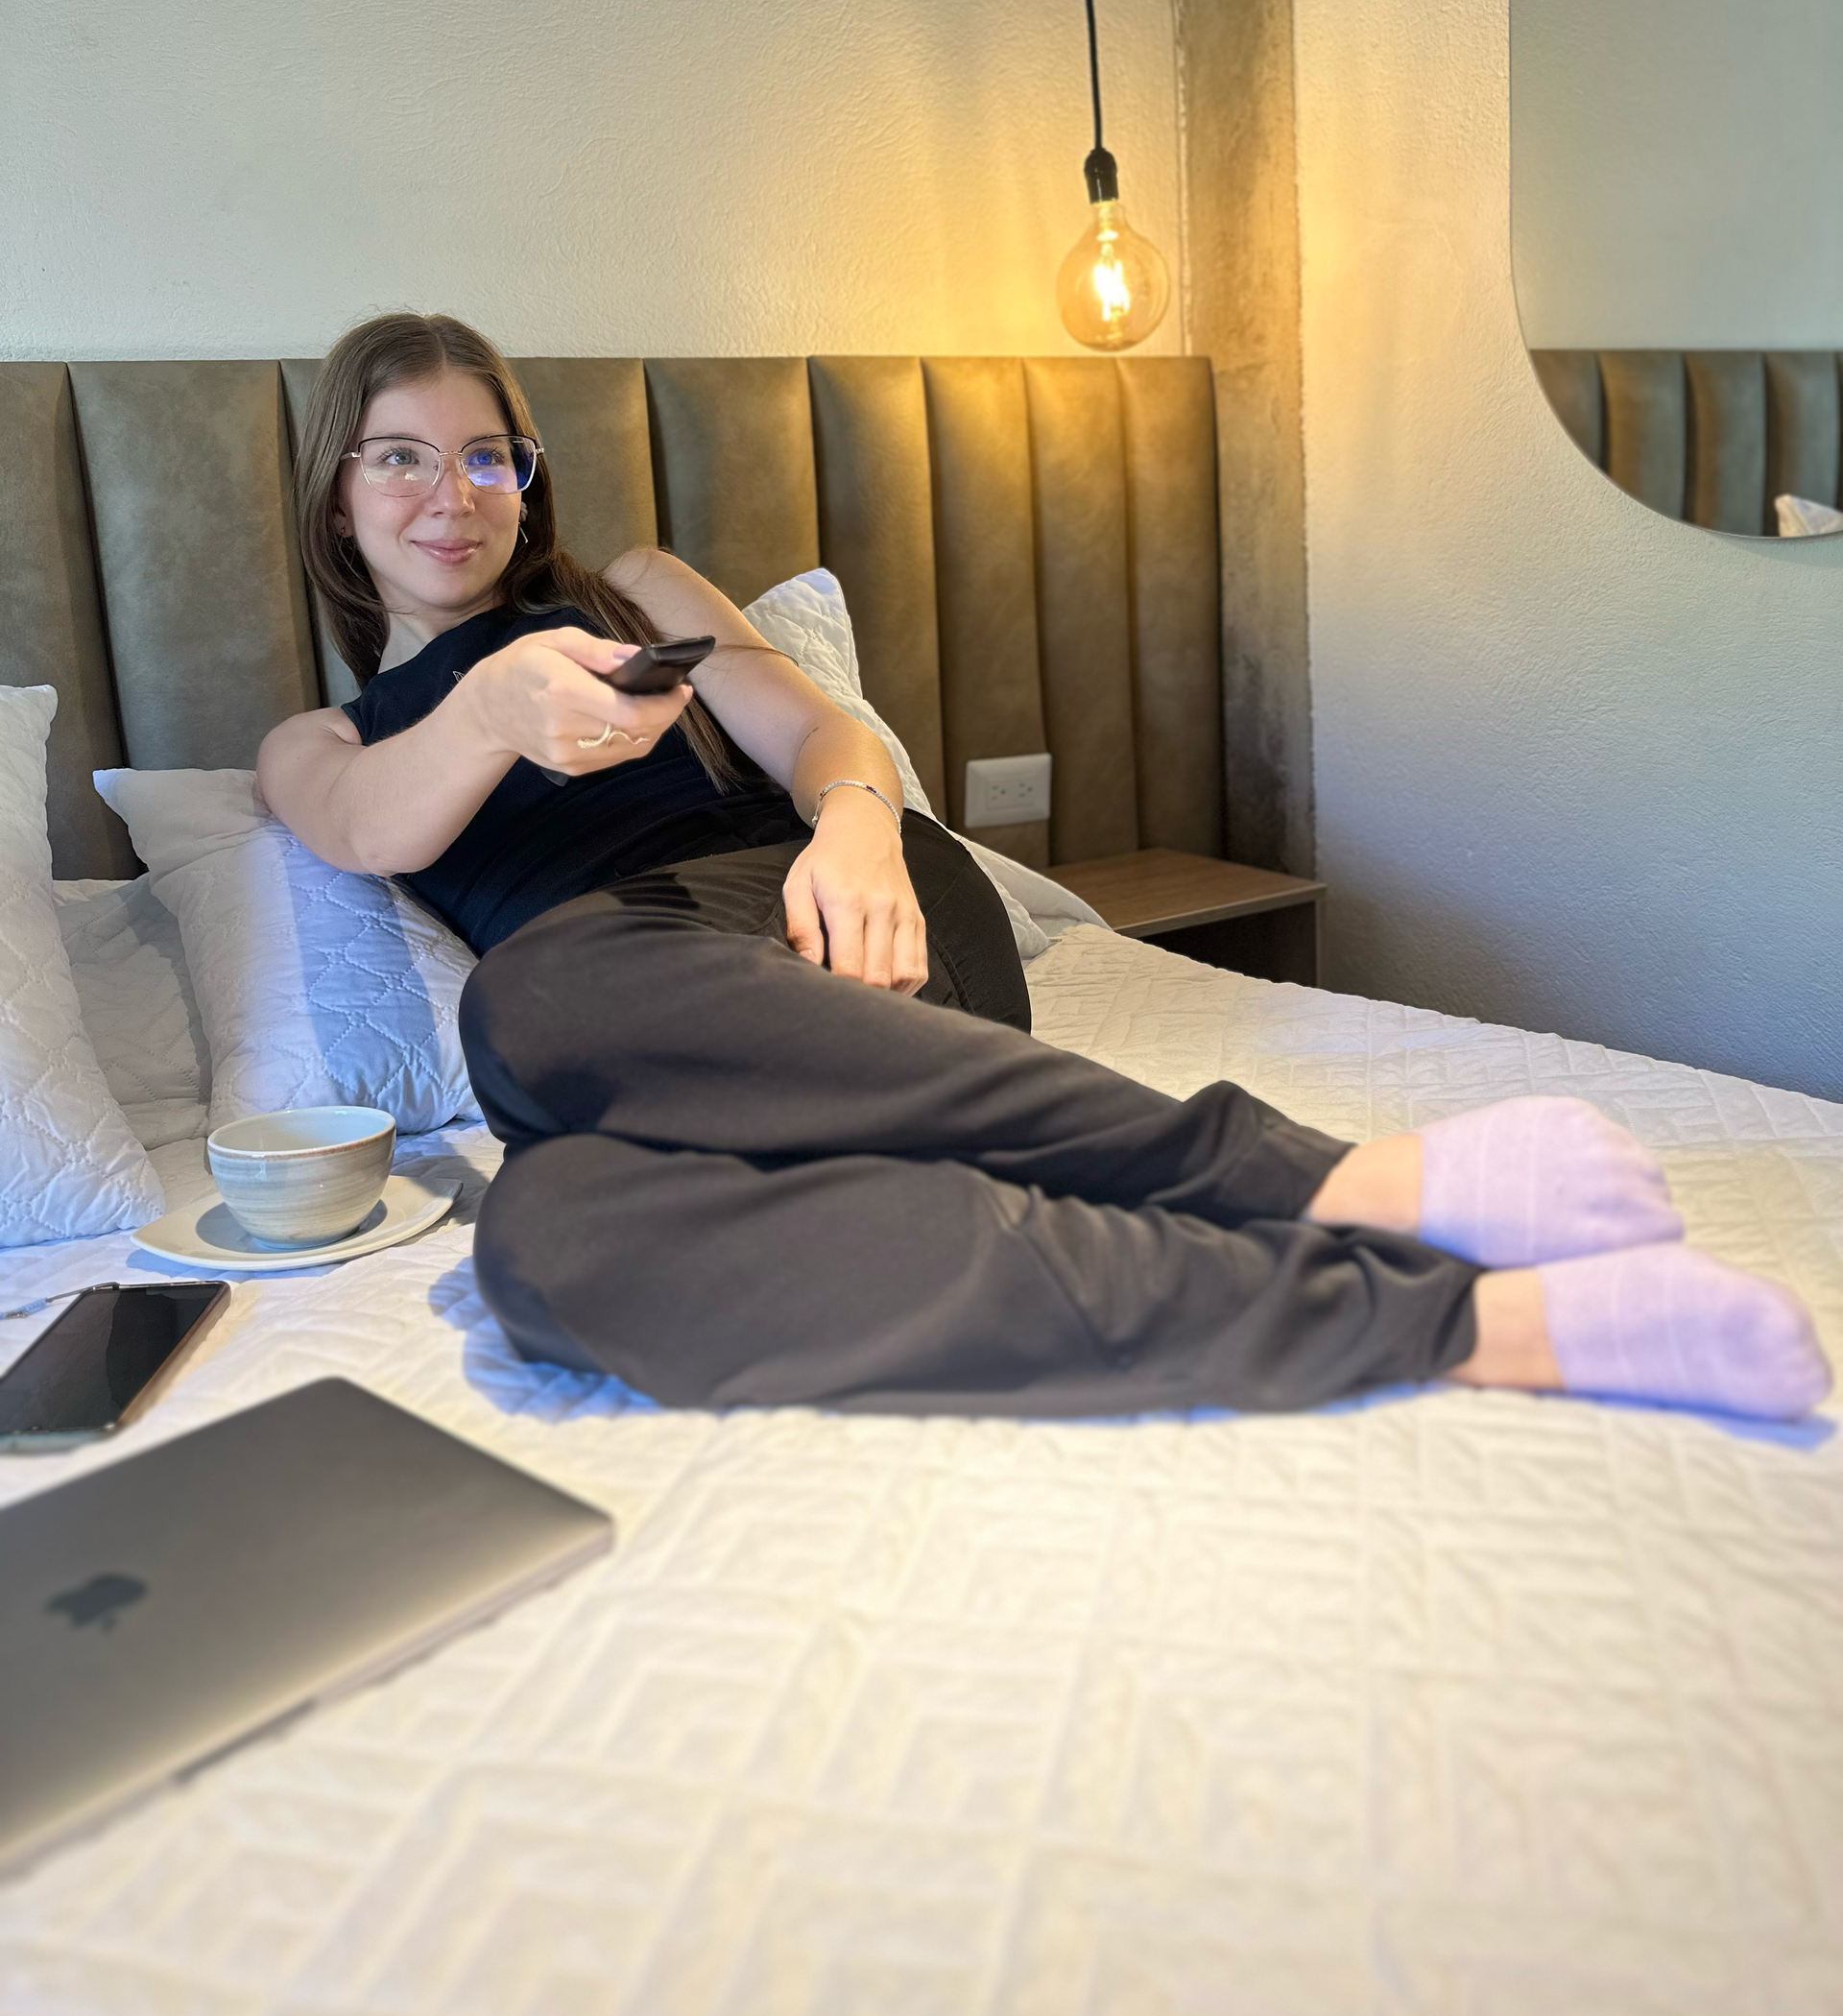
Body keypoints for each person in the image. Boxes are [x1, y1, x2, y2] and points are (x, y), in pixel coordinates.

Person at [257, 314, 1831, 1425]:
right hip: (636, 1025)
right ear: (338, 488)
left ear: (528, 476)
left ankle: (1334, 1183)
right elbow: (378, 828)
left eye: (487, 457)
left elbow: (822, 742)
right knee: (548, 1249)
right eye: (400, 459)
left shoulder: (637, 587)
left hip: (844, 916)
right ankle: (1470, 1321)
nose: (450, 496)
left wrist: (863, 825)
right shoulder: (315, 744)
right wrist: (490, 708)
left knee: (531, 1006)